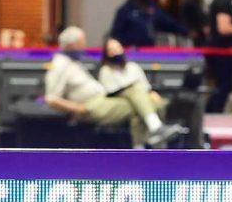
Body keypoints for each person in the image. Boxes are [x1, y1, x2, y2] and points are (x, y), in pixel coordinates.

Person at [44, 27, 184, 148]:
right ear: (71, 44)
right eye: (81, 43)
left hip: (102, 102)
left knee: (140, 103)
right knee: (142, 101)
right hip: (92, 106)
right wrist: (79, 109)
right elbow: (51, 99)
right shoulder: (59, 65)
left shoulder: (72, 62)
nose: (84, 46)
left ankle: (143, 144)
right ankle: (154, 132)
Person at [110, 0, 187, 48]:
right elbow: (116, 34)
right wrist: (130, 42)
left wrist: (185, 31)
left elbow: (168, 22)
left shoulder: (152, 7)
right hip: (132, 50)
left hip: (150, 49)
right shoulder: (125, 10)